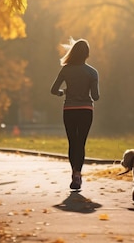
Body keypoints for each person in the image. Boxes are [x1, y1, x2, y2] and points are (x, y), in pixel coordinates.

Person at [50, 38, 99, 190]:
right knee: (81, 143)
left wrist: (63, 92)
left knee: (72, 142)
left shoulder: (66, 70)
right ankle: (78, 173)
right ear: (87, 54)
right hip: (86, 110)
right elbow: (96, 96)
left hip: (69, 110)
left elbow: (53, 90)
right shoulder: (92, 72)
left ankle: (74, 173)